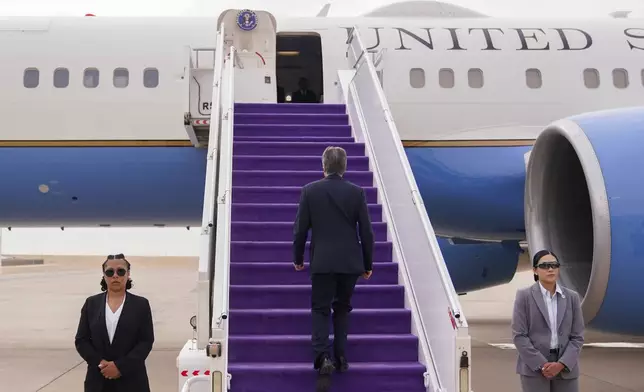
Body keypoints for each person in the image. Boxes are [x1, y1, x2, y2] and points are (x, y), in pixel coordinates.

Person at [292, 146, 374, 385]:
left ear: (324, 166)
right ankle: (341, 356)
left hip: (322, 262)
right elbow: (367, 233)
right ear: (344, 167)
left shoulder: (309, 191)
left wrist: (298, 259)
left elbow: (300, 231)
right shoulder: (356, 193)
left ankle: (322, 356)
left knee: (320, 309)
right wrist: (367, 263)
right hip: (350, 263)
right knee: (342, 308)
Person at [75, 254, 155, 392]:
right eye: (110, 272)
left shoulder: (141, 305)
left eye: (121, 271)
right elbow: (81, 340)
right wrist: (100, 364)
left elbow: (145, 341)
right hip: (98, 381)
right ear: (104, 275)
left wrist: (120, 367)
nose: (115, 276)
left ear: (128, 274)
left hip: (132, 382)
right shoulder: (91, 304)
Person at [511, 250, 585, 392]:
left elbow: (577, 336)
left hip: (566, 367)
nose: (550, 269)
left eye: (554, 265)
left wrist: (562, 364)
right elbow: (519, 336)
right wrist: (542, 364)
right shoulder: (524, 296)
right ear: (535, 270)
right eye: (544, 266)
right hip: (534, 367)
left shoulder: (572, 297)